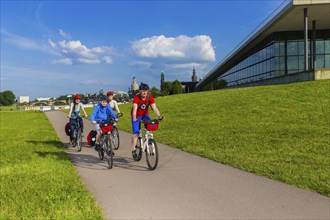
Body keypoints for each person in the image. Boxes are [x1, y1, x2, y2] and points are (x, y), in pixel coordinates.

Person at [131, 83, 164, 159]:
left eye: (146, 91)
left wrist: (159, 116)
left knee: (150, 128)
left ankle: (146, 141)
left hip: (145, 115)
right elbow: (135, 109)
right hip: (136, 116)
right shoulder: (136, 98)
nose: (145, 92)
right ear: (140, 91)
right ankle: (133, 150)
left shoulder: (150, 97)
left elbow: (154, 108)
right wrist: (135, 118)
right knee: (136, 133)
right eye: (143, 91)